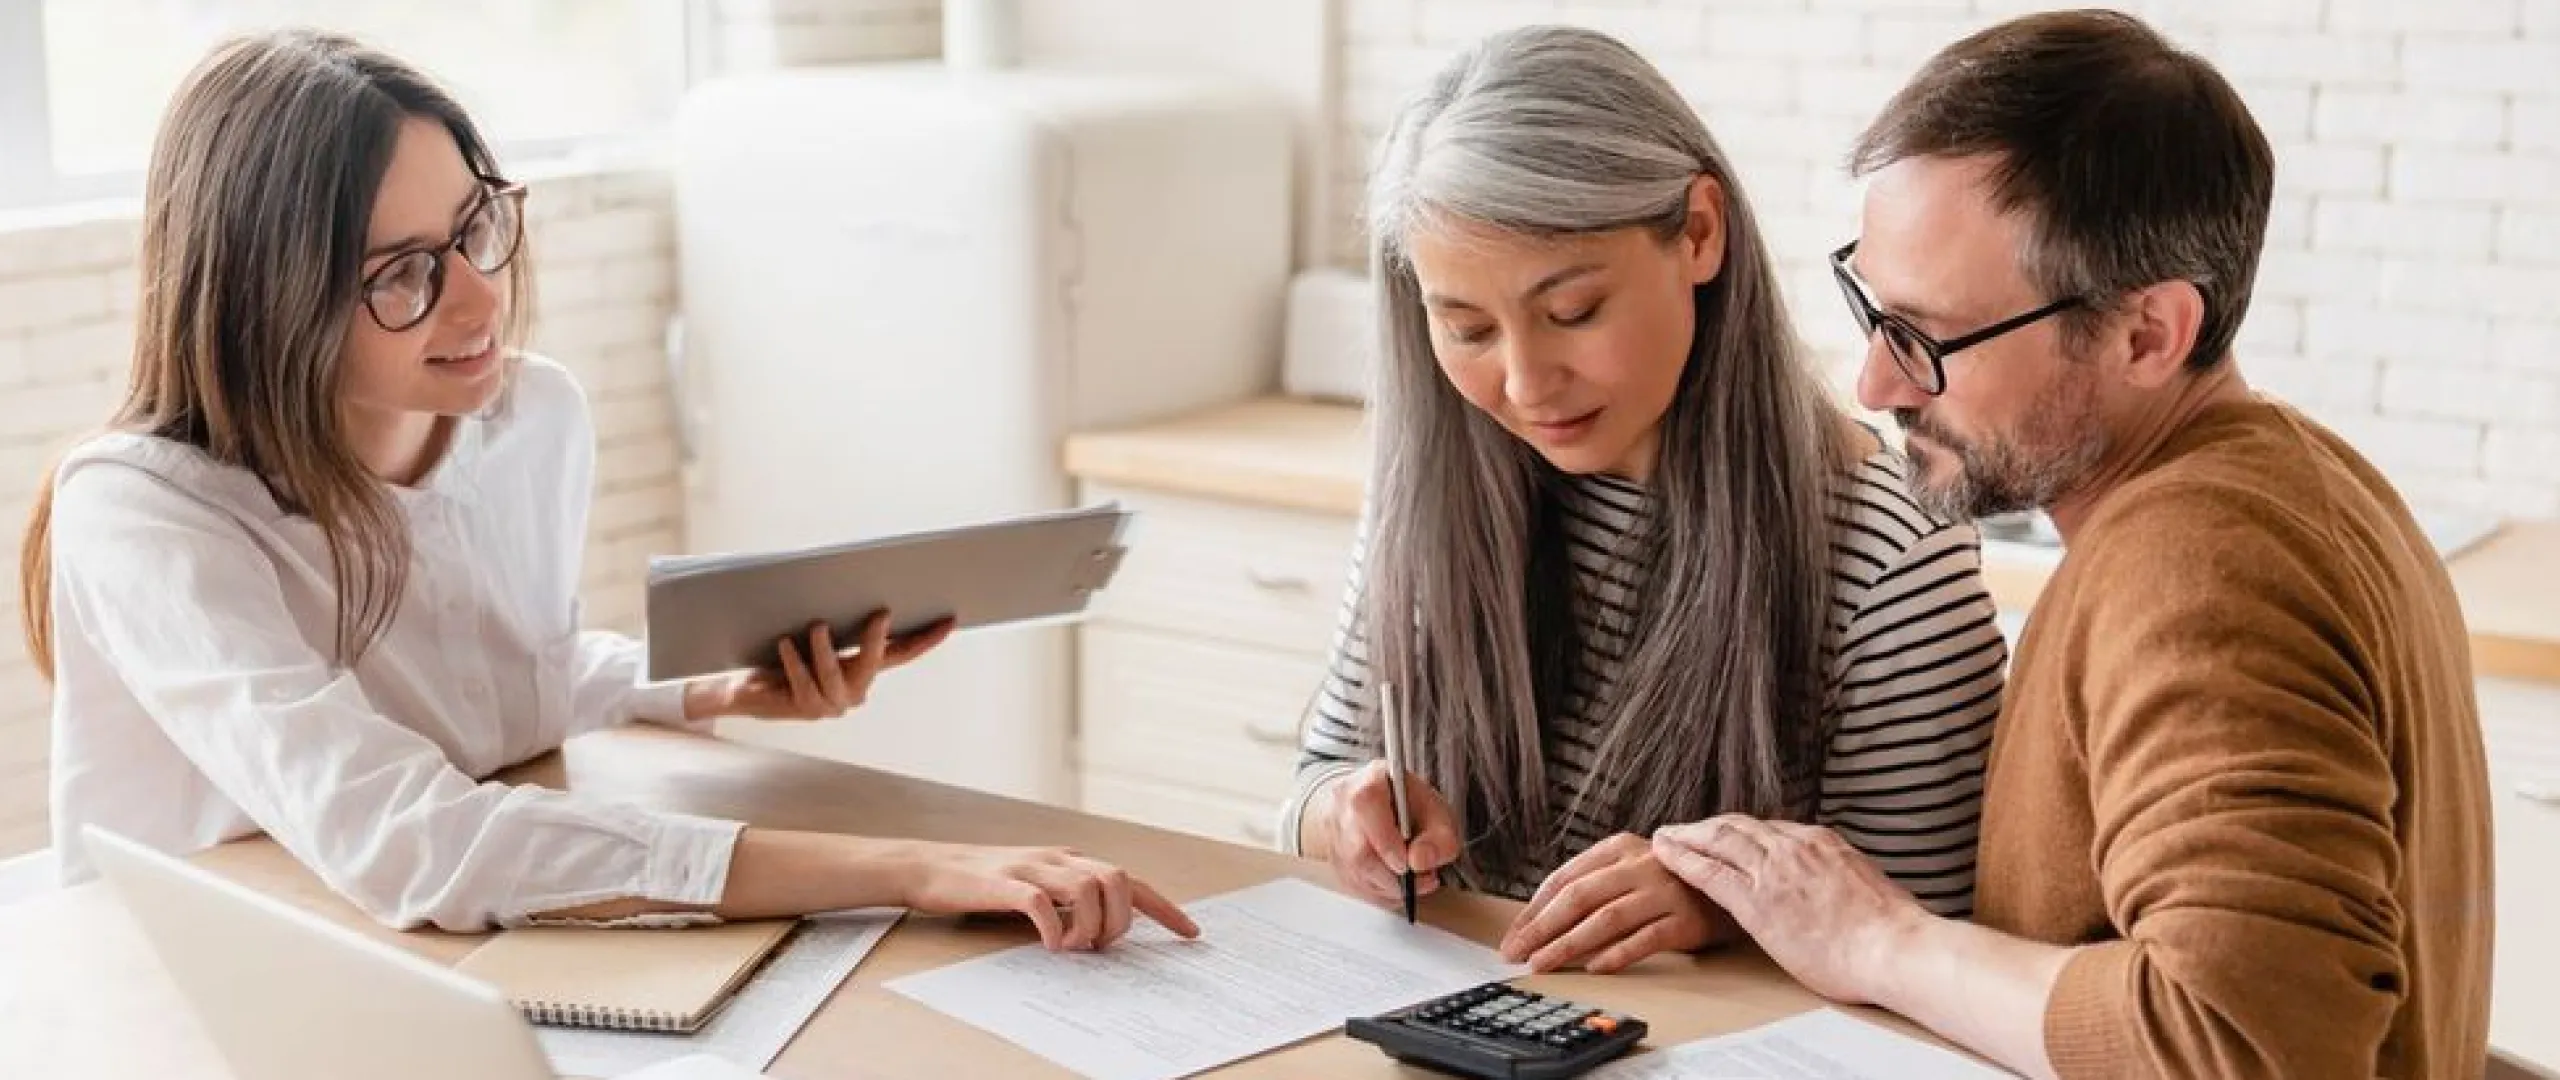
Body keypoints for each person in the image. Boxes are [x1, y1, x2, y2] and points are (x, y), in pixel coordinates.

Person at [25, 29, 1199, 951]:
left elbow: (491, 693)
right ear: (262, 298)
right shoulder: (146, 515)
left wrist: (708, 688)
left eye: (476, 226)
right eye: (405, 277)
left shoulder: (527, 420)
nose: (481, 300)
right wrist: (907, 868)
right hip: (180, 975)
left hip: (415, 947)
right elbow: (409, 838)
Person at [1650, 11, 2494, 1079]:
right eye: (1871, 306)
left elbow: (2245, 1038)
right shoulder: (2296, 479)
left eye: (1930, 336)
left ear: (2149, 334)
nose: (1876, 383)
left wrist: (1878, 939)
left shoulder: (2196, 568)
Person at [1278, 24, 2007, 976]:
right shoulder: (1435, 490)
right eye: (1466, 329)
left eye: (1572, 312)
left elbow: (1928, 937)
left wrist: (1725, 905)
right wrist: (1347, 819)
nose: (1527, 384)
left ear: (1699, 233)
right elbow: (1310, 786)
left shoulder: (1889, 553)